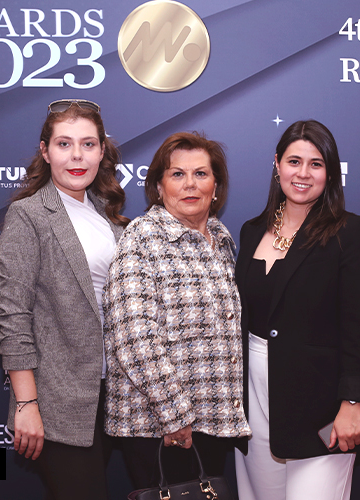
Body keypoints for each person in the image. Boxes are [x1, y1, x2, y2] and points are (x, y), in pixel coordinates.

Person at [234, 120, 360, 500]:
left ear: (330, 172)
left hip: (320, 408)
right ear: (277, 164)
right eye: (294, 161)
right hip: (252, 403)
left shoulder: (352, 233)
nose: (303, 173)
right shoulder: (251, 230)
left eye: (316, 164)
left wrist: (352, 402)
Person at [0, 99, 129, 500]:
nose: (76, 156)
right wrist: (26, 404)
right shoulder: (29, 215)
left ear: (101, 152)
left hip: (110, 398)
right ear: (45, 151)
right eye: (64, 144)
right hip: (56, 401)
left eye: (88, 144)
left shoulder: (109, 217)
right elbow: (13, 316)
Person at [103, 132, 252, 489]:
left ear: (216, 187)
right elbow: (134, 338)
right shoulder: (143, 237)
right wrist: (174, 415)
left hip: (212, 421)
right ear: (158, 187)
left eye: (201, 174)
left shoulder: (221, 240)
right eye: (177, 174)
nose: (190, 184)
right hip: (160, 427)